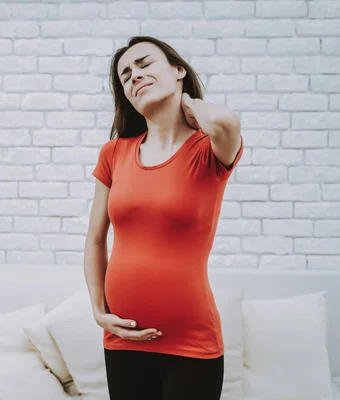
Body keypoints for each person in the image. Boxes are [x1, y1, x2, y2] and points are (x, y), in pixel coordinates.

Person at [84, 36, 244, 400]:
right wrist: (98, 311)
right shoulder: (114, 153)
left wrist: (186, 102)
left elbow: (226, 120)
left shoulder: (209, 149)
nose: (134, 76)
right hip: (123, 338)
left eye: (144, 64)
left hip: (192, 342)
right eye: (125, 75)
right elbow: (95, 239)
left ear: (178, 70)